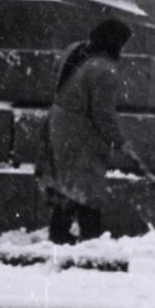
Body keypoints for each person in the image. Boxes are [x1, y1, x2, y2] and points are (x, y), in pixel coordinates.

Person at [41, 18, 135, 243]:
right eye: (123, 44)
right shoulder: (105, 70)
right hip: (80, 131)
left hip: (59, 122)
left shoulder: (74, 50)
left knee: (68, 182)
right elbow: (103, 115)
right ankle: (91, 237)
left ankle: (60, 232)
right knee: (88, 184)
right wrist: (121, 143)